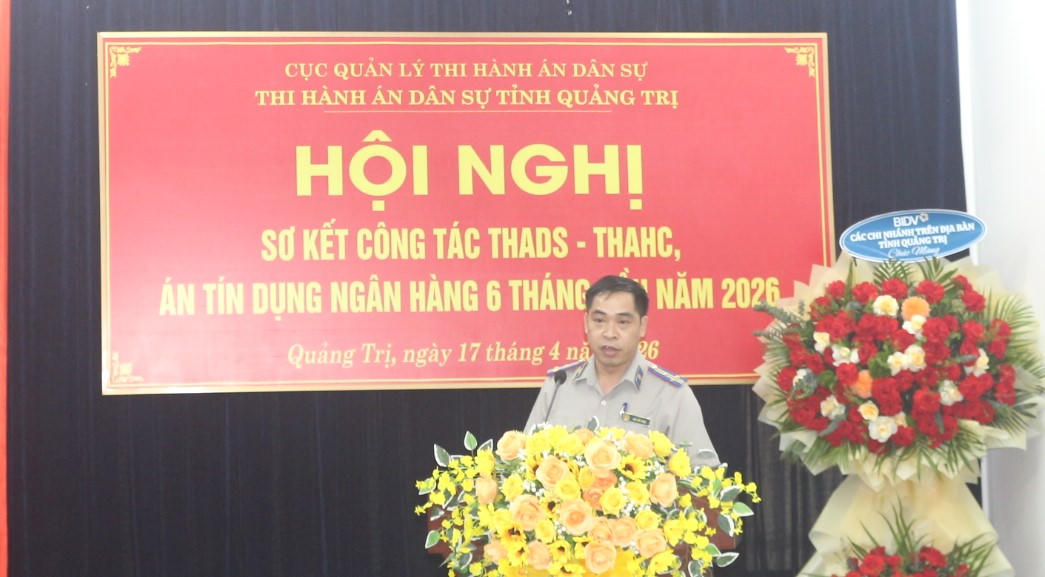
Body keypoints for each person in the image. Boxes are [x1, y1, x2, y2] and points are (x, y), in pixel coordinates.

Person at [524, 275, 719, 465]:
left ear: (642, 326)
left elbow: (704, 477)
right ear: (586, 323)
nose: (610, 333)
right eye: (599, 320)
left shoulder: (671, 394)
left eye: (623, 322)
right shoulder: (558, 385)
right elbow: (524, 462)